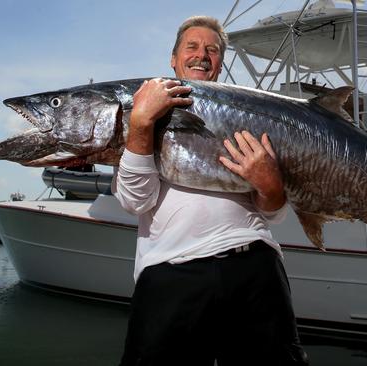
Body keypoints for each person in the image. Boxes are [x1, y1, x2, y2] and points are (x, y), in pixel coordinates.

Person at [113, 15, 309, 366]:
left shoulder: (249, 114)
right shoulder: (140, 109)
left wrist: (270, 184)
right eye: (192, 47)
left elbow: (274, 212)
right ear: (173, 58)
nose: (201, 55)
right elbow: (134, 199)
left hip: (255, 265)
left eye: (212, 50)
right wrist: (141, 124)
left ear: (220, 62)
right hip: (172, 271)